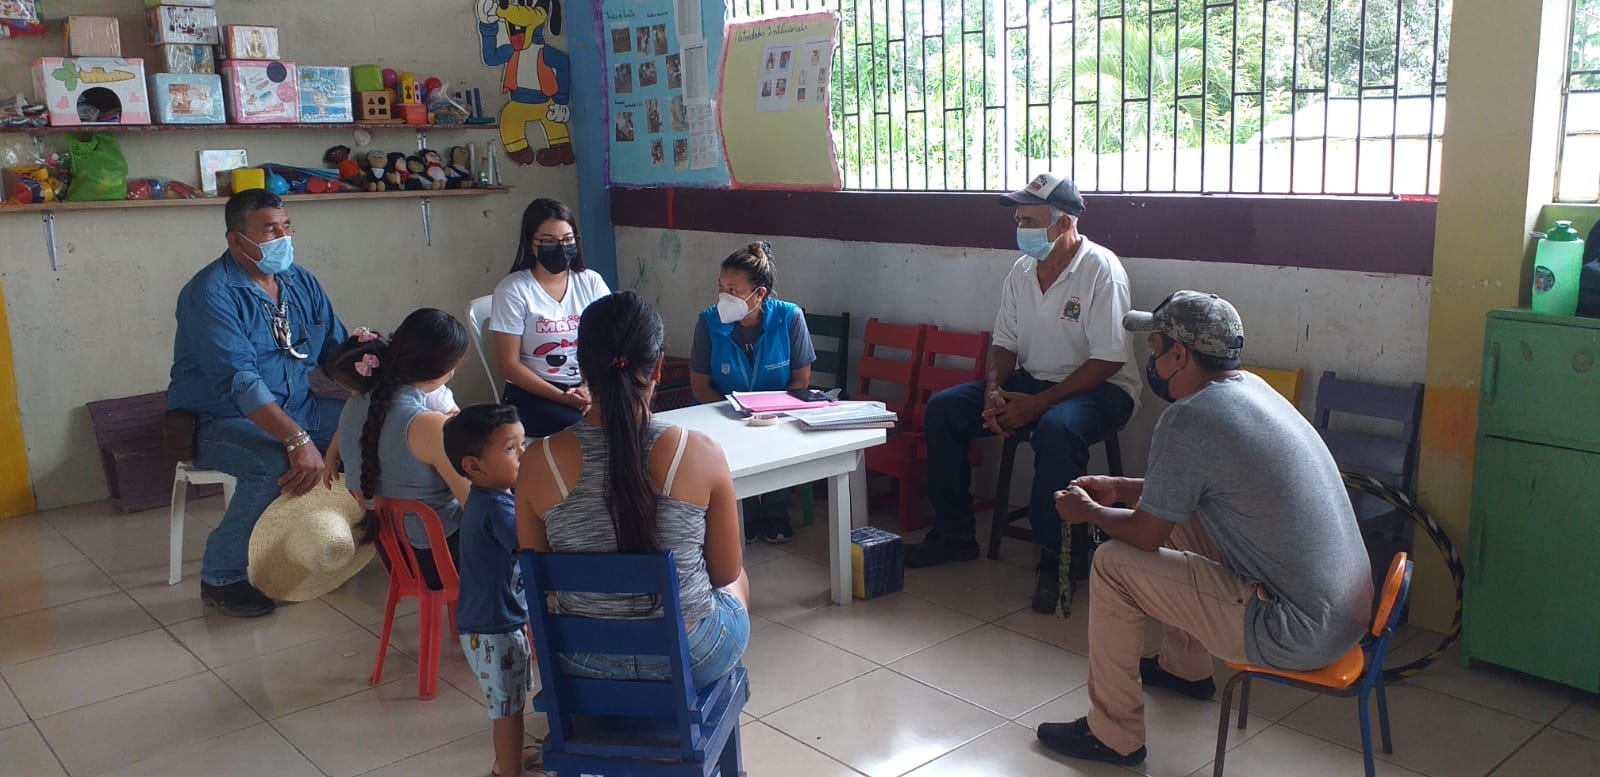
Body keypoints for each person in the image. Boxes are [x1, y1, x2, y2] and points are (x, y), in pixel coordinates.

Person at [1036, 291, 1373, 766]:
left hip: (1296, 632)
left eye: (1155, 349)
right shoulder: (1252, 389)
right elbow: (1196, 489)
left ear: (1179, 355)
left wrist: (1087, 511)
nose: (1151, 361)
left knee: (1112, 563)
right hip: (1341, 617)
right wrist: (1119, 487)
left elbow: (1146, 534)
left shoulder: (1189, 417)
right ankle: (1184, 670)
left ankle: (1112, 735)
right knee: (1178, 518)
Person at [904, 172, 1141, 617]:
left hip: (1102, 389)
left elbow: (1108, 360)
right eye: (1018, 220)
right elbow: (1004, 343)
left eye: (1029, 221)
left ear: (1064, 223)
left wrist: (1038, 405)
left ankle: (1059, 558)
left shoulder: (1101, 271)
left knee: (1055, 428)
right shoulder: (1022, 271)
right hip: (1034, 380)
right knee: (945, 410)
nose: (1020, 230)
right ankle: (954, 535)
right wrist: (995, 393)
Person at [517, 291, 752, 689]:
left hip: (584, 658)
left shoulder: (538, 461)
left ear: (581, 367)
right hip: (690, 656)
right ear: (658, 367)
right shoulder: (700, 451)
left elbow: (542, 577)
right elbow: (724, 572)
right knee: (737, 580)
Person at [169, 190, 347, 618]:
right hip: (220, 420)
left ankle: (353, 540)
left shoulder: (300, 282)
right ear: (236, 240)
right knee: (273, 460)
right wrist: (296, 439)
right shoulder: (210, 293)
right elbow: (241, 383)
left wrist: (379, 377)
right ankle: (221, 577)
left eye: (286, 228)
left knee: (372, 431)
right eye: (270, 231)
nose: (283, 239)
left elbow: (336, 351)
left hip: (299, 406)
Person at [688, 241, 817, 543]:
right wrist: (735, 416)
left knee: (782, 437)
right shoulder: (708, 323)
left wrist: (770, 414)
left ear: (760, 294)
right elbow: (700, 386)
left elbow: (800, 380)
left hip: (777, 414)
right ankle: (741, 516)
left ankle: (776, 513)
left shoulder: (789, 318)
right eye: (721, 288)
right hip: (720, 414)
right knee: (723, 447)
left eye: (733, 290)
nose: (724, 296)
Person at [337, 309, 472, 589]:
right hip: (440, 561)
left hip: (394, 556)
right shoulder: (428, 424)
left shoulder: (354, 405)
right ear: (444, 369)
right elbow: (473, 504)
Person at [443, 404, 541, 777]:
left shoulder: (492, 499)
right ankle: (507, 770)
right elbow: (534, 547)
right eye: (511, 449)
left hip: (494, 621)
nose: (524, 455)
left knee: (511, 700)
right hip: (493, 628)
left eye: (522, 444)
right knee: (508, 708)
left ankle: (511, 757)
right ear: (474, 466)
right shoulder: (497, 510)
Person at [490, 198, 612, 437]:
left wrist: (588, 387)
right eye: (548, 241)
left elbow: (610, 343)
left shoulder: (591, 282)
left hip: (589, 388)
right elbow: (509, 365)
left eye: (567, 239)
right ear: (530, 244)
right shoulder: (513, 290)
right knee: (585, 430)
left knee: (629, 418)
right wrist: (563, 397)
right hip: (534, 393)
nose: (560, 247)